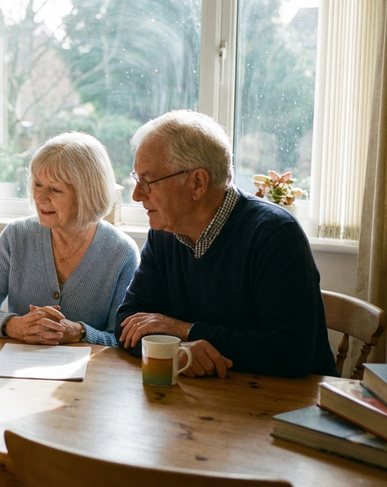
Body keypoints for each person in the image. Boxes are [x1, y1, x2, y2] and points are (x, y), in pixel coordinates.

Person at [115, 110, 338, 379]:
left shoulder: (275, 235)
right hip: (204, 401)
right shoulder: (164, 233)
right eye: (137, 180)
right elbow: (127, 323)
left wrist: (186, 330)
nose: (137, 195)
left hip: (290, 408)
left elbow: (291, 352)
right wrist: (181, 350)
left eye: (148, 182)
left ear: (197, 182)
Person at [0, 132, 139, 346]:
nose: (40, 197)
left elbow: (123, 339)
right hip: (16, 370)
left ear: (87, 193)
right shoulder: (17, 235)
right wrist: (14, 325)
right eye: (37, 185)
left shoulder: (121, 252)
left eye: (55, 189)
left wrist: (81, 332)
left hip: (92, 374)